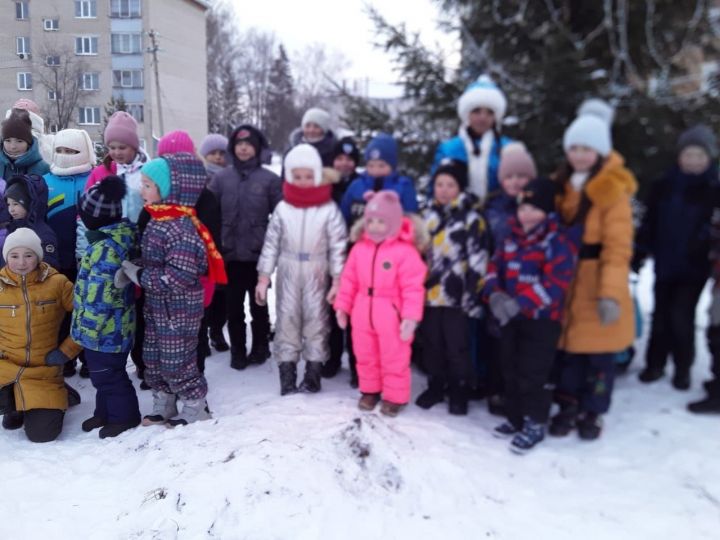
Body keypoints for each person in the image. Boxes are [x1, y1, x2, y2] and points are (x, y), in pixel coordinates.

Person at [116, 154, 224, 426]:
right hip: (157, 306)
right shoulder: (157, 219)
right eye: (142, 184)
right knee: (152, 356)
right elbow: (156, 261)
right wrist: (133, 267)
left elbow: (179, 276)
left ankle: (195, 405)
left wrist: (139, 275)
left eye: (148, 185)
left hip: (179, 309)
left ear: (168, 190)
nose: (142, 190)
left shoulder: (181, 228)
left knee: (178, 359)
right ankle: (164, 403)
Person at [551, 100, 637, 441]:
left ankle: (594, 411)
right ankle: (568, 406)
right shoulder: (563, 185)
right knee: (570, 353)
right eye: (574, 148)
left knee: (599, 358)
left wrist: (610, 293)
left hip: (597, 279)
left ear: (600, 150)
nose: (580, 155)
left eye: (587, 148)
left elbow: (618, 247)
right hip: (566, 279)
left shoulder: (611, 190)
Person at [484, 178, 576, 453]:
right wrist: (495, 294)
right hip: (510, 318)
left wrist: (520, 303)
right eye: (524, 208)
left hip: (541, 321)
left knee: (532, 373)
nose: (527, 214)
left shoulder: (556, 241)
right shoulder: (510, 238)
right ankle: (514, 417)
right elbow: (493, 268)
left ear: (546, 212)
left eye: (534, 209)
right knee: (509, 368)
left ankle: (535, 421)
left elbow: (556, 283)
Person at [255, 144, 347, 395]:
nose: (303, 181)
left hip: (318, 269)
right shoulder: (284, 208)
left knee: (317, 320)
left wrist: (338, 280)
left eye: (308, 176)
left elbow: (338, 245)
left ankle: (313, 373)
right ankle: (287, 372)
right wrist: (264, 276)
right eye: (297, 176)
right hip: (288, 268)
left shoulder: (328, 209)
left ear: (317, 175)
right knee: (287, 318)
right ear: (289, 176)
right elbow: (271, 243)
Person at [635, 125, 719, 390]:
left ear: (709, 158)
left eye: (699, 156)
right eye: (688, 155)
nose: (693, 161)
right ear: (680, 156)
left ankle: (683, 367)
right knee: (660, 316)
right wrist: (640, 251)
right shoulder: (663, 184)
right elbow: (649, 222)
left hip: (695, 266)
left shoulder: (714, 187)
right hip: (665, 262)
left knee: (681, 317)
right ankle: (654, 363)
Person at [334, 190, 427, 417]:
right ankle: (370, 390)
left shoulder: (405, 251)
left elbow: (413, 287)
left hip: (390, 313)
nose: (375, 226)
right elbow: (349, 280)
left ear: (394, 222)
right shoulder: (359, 248)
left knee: (394, 355)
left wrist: (410, 317)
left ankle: (394, 397)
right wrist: (342, 306)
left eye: (381, 222)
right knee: (365, 354)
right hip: (362, 310)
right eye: (371, 221)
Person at [416, 159, 490, 415]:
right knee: (432, 343)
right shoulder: (426, 216)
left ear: (460, 187)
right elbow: (416, 253)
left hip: (457, 296)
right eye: (439, 184)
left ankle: (459, 389)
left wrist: (472, 294)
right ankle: (436, 385)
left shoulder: (471, 218)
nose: (444, 189)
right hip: (428, 294)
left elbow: (479, 260)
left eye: (450, 184)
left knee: (457, 346)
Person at [208, 125, 282, 370]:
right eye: (239, 144)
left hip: (258, 256)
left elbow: (281, 218)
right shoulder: (221, 178)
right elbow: (211, 213)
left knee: (259, 305)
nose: (243, 148)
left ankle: (261, 347)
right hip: (229, 256)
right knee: (234, 308)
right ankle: (238, 351)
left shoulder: (270, 180)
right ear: (233, 148)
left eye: (249, 144)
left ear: (258, 148)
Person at [71, 175, 140, 438]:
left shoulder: (104, 249)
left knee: (109, 376)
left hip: (105, 331)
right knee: (103, 376)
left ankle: (125, 417)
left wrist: (88, 330)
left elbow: (99, 298)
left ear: (93, 218)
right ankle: (105, 412)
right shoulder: (111, 240)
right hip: (112, 328)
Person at [83, 111, 148, 384]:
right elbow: (87, 210)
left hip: (140, 245)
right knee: (118, 303)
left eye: (122, 147)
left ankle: (144, 364)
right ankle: (113, 362)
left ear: (134, 146)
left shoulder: (146, 171)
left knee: (142, 308)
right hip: (110, 247)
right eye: (112, 147)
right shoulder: (101, 172)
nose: (117, 152)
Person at [0, 228, 80, 442]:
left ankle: (59, 395)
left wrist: (67, 351)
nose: (21, 262)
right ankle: (14, 403)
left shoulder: (58, 283)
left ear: (38, 256)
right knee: (10, 420)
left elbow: (87, 319)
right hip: (6, 367)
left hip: (43, 369)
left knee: (41, 435)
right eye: (14, 256)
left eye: (28, 255)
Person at [482, 142, 537, 414]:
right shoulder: (493, 208)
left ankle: (521, 394)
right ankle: (498, 390)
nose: (515, 182)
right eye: (509, 177)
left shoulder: (538, 207)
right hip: (499, 283)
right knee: (498, 341)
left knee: (525, 345)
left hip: (530, 287)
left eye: (521, 176)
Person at [431, 75, 512, 201]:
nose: (482, 117)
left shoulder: (508, 148)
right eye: (477, 111)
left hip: (499, 216)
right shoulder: (448, 149)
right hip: (458, 216)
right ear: (467, 113)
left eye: (489, 112)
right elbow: (435, 186)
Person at [322, 136, 361, 380]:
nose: (344, 163)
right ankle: (333, 357)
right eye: (339, 158)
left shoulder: (361, 186)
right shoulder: (324, 186)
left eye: (349, 159)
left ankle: (358, 363)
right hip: (329, 258)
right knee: (332, 309)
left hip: (357, 259)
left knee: (357, 314)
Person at [340, 133, 418, 228]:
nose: (376, 171)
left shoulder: (403, 187)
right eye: (371, 165)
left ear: (392, 166)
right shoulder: (356, 185)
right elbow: (344, 216)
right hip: (360, 240)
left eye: (381, 166)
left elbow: (410, 218)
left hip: (393, 240)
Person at [3, 173, 59, 268]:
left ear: (29, 204)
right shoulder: (12, 228)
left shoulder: (44, 234)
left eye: (16, 204)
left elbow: (49, 269)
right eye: (9, 204)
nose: (11, 209)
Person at [0, 110, 49, 180]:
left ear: (28, 143)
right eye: (8, 141)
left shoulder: (43, 168)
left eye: (19, 141)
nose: (13, 147)